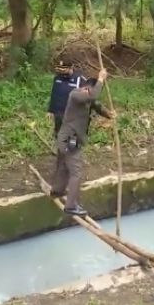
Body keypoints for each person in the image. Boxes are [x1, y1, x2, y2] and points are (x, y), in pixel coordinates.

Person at [50, 69, 115, 216]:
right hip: (68, 139)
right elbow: (93, 96)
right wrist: (101, 79)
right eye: (91, 91)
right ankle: (71, 206)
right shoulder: (76, 94)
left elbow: (96, 104)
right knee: (76, 171)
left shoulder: (87, 99)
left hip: (68, 139)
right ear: (86, 88)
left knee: (64, 166)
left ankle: (57, 191)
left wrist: (109, 114)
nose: (92, 95)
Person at [47, 60, 87, 137]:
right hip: (59, 113)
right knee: (58, 134)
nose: (61, 70)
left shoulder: (80, 79)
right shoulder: (57, 78)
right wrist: (50, 110)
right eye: (59, 68)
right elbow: (54, 94)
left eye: (64, 68)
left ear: (71, 68)